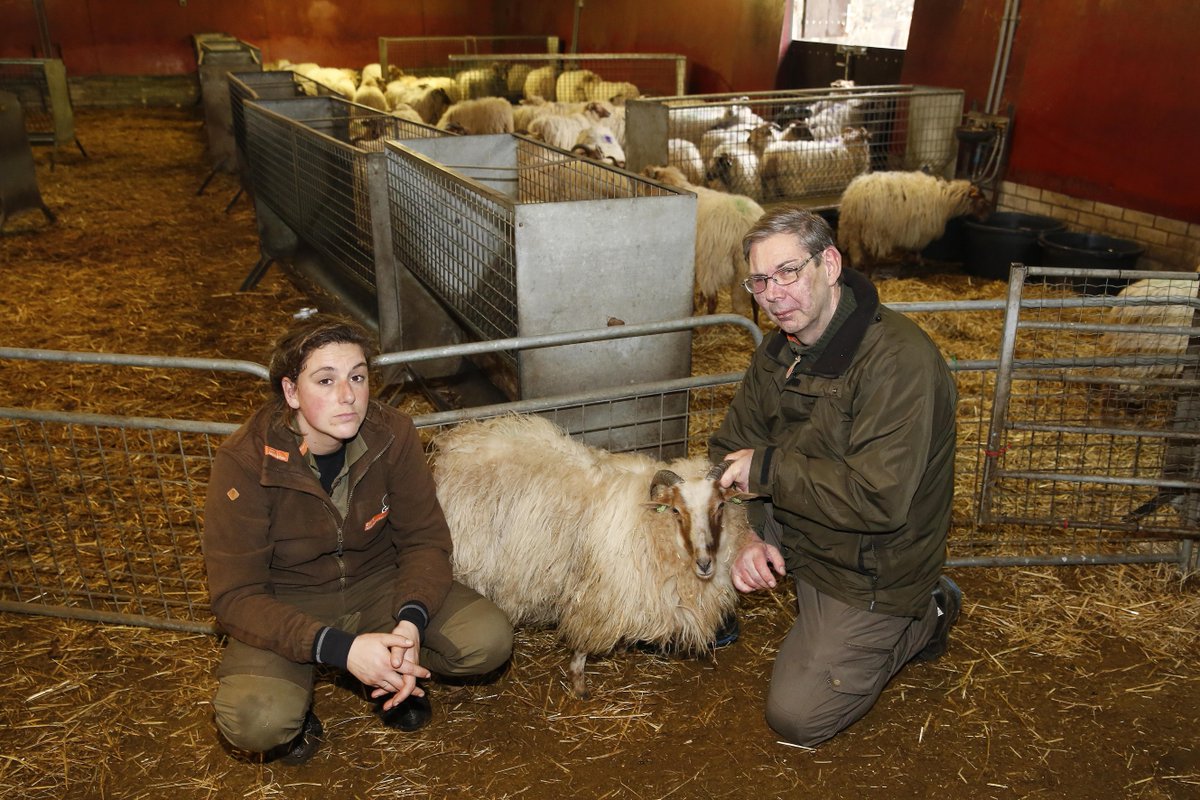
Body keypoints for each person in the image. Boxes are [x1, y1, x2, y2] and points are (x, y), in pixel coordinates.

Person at [203, 315, 513, 764]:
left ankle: (387, 670)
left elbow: (424, 540)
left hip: (377, 583)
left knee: (487, 639)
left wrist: (409, 623)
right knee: (259, 721)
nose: (347, 395)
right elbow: (236, 595)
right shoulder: (246, 462)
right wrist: (340, 648)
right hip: (288, 600)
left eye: (358, 377)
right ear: (291, 392)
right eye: (325, 380)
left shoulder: (394, 434)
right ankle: (317, 686)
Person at [710, 205, 962, 748]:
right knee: (680, 527)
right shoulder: (781, 351)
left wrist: (768, 471)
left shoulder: (899, 363)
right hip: (794, 518)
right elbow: (729, 451)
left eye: (788, 272)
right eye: (759, 281)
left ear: (829, 264)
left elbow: (880, 498)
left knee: (799, 717)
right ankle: (719, 615)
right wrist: (747, 533)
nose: (773, 294)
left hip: (870, 559)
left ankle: (926, 612)